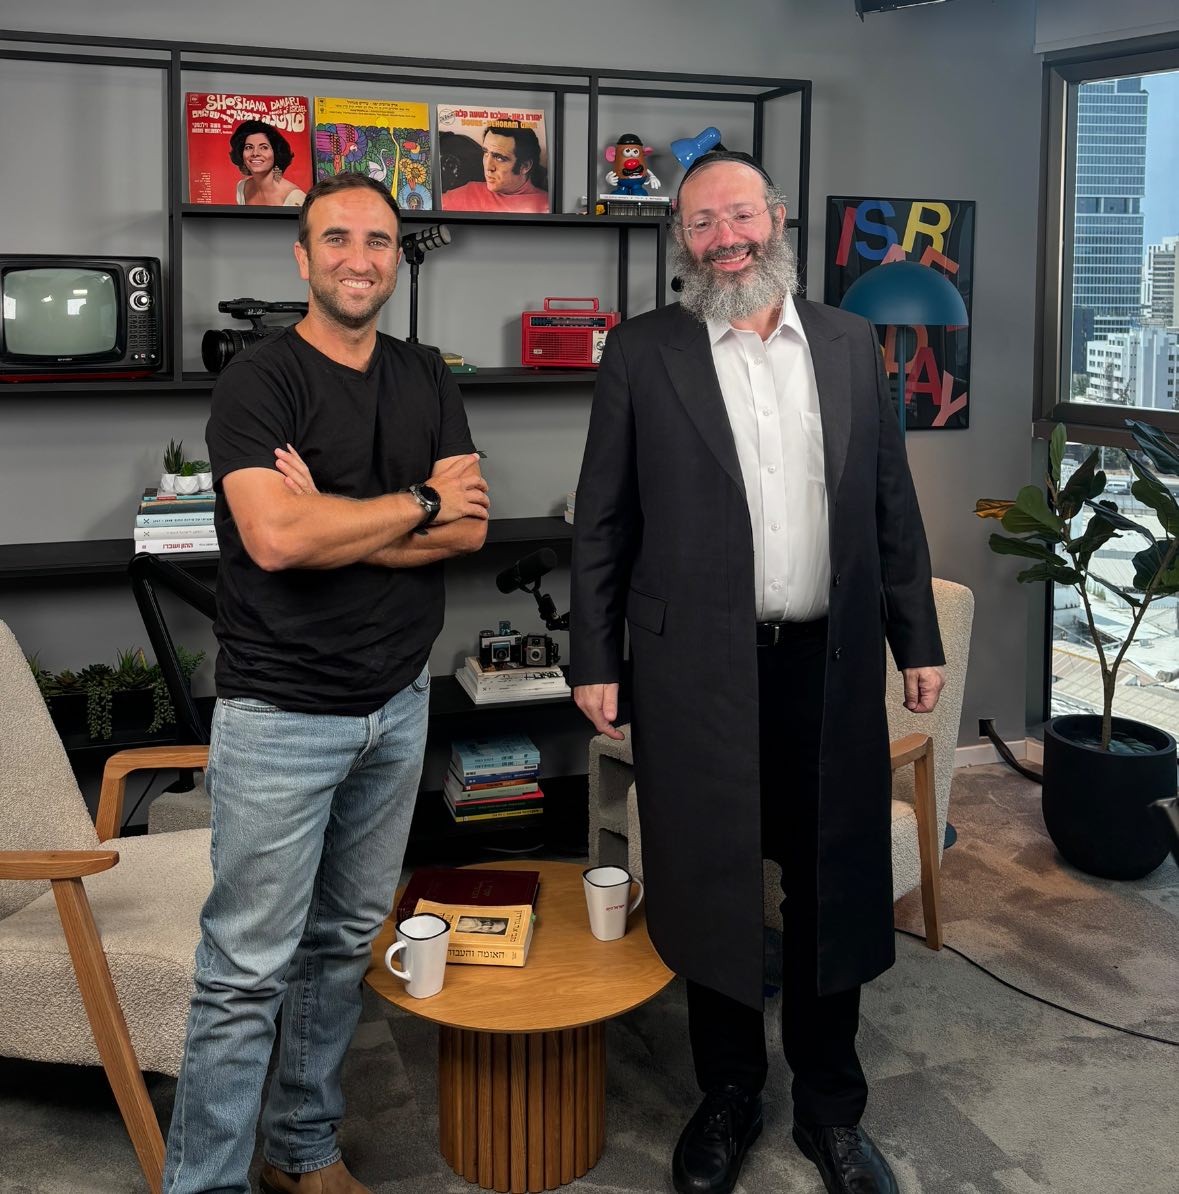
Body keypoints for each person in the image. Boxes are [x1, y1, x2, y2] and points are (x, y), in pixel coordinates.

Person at [569, 150, 945, 1194]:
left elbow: (890, 501)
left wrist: (916, 638)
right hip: (696, 671)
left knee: (832, 887)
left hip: (828, 666)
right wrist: (595, 656)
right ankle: (728, 1092)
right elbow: (602, 518)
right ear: (681, 239)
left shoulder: (849, 341)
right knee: (714, 880)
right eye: (701, 223)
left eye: (739, 215)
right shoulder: (642, 351)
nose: (725, 239)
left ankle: (832, 1109)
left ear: (776, 217)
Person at [163, 172, 490, 1194]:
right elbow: (273, 538)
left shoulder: (426, 373)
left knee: (344, 943)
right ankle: (206, 1183)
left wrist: (339, 522)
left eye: (379, 241)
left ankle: (302, 1152)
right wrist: (417, 502)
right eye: (337, 239)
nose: (360, 258)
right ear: (303, 259)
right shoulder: (258, 382)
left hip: (399, 700)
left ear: (397, 260)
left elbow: (470, 529)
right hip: (280, 715)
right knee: (246, 970)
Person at [442, 123, 549, 213]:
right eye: (486, 153)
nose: (488, 167)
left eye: (499, 158)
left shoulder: (546, 206)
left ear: (525, 166)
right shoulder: (469, 192)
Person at [229, 118, 307, 207]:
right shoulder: (242, 188)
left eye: (264, 147)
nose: (255, 153)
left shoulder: (295, 198)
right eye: (249, 147)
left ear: (276, 153)